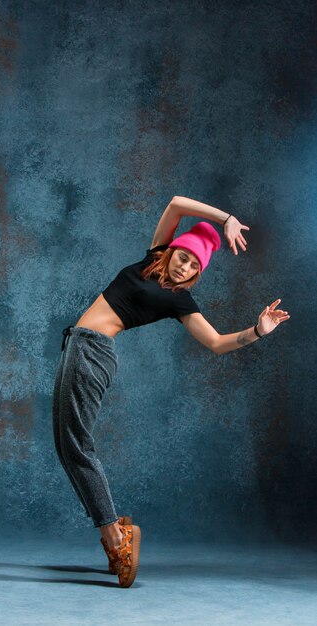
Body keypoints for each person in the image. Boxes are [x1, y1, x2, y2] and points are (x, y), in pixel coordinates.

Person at [52, 195, 290, 588]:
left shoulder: (180, 301)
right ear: (173, 251)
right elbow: (177, 204)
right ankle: (117, 530)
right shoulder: (154, 257)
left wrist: (257, 332)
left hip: (92, 351)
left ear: (198, 274)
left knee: (76, 446)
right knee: (67, 446)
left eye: (195, 266)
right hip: (77, 345)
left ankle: (115, 536)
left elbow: (215, 343)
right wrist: (227, 217)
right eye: (185, 257)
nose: (186, 267)